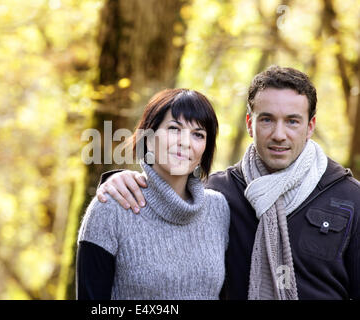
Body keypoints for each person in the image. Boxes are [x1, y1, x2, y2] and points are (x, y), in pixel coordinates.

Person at [96, 66, 360, 300]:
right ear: (249, 124)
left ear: (310, 126)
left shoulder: (349, 197)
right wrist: (117, 180)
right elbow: (164, 207)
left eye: (292, 121)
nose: (279, 134)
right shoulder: (217, 194)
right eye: (266, 119)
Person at [76, 88, 230, 300]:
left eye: (198, 134)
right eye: (175, 128)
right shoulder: (111, 207)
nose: (185, 142)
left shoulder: (219, 209)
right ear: (147, 138)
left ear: (205, 148)